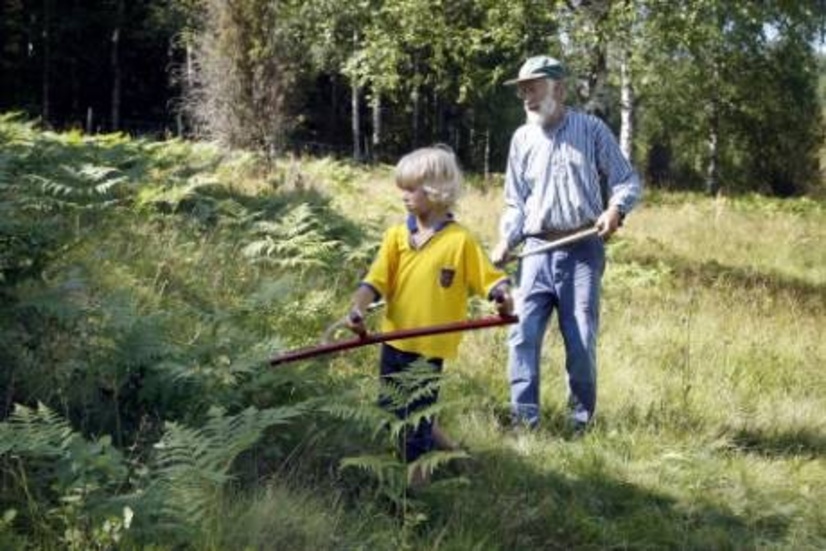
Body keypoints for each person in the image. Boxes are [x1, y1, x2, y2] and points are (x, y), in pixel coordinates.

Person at [491, 55, 642, 432]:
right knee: (522, 336)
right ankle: (525, 423)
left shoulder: (591, 130)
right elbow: (515, 202)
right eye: (522, 90)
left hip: (582, 252)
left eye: (533, 87)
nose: (526, 96)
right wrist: (506, 239)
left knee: (579, 341)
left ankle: (579, 424)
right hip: (534, 253)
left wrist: (615, 211)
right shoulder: (522, 139)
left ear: (558, 88)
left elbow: (626, 181)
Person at [345, 145, 513, 484]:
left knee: (415, 429)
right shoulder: (396, 236)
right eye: (401, 188)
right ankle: (455, 454)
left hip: (429, 350)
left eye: (411, 188)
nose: (403, 195)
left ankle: (415, 498)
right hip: (394, 342)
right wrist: (357, 308)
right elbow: (374, 280)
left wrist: (502, 298)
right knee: (395, 413)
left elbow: (490, 280)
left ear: (437, 191)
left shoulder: (460, 241)